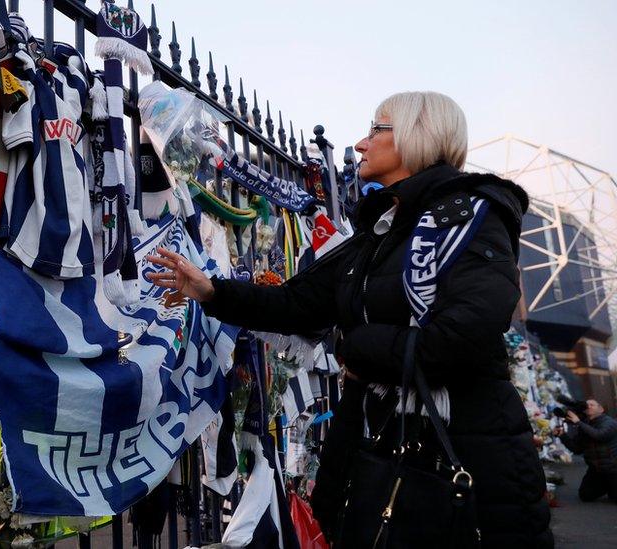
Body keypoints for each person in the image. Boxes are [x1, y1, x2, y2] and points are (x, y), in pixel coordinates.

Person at [147, 91, 553, 546]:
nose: (361, 143)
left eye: (376, 130)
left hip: (469, 455)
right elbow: (297, 304)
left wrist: (357, 348)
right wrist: (211, 291)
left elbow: (461, 339)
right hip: (380, 451)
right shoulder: (376, 234)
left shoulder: (471, 219)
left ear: (416, 137)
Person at [555, 399, 617, 503]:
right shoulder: (585, 424)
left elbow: (599, 435)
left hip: (613, 468)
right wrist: (562, 435)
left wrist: (578, 422)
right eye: (587, 404)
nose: (588, 406)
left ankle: (611, 486)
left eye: (592, 405)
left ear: (601, 409)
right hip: (597, 470)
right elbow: (577, 449)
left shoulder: (609, 423)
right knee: (585, 495)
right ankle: (608, 486)